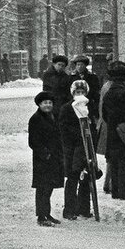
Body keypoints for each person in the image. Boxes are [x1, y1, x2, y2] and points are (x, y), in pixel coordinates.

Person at [58, 79, 96, 220]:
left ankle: (84, 208)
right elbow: (63, 128)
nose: (80, 95)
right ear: (73, 94)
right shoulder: (67, 108)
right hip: (72, 149)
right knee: (73, 177)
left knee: (86, 177)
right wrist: (78, 134)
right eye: (77, 92)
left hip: (86, 147)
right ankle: (69, 209)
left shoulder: (89, 106)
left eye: (82, 92)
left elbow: (93, 126)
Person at [102, 61, 125, 200]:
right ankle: (124, 191)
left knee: (115, 161)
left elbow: (105, 114)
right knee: (124, 161)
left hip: (112, 129)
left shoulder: (108, 93)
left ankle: (115, 190)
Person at [27, 91, 63, 227]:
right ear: (39, 104)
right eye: (45, 103)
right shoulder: (35, 119)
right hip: (43, 160)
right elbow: (33, 141)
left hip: (53, 158)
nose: (48, 105)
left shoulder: (52, 116)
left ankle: (46, 213)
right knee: (42, 188)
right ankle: (41, 216)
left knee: (49, 187)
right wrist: (45, 154)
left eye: (50, 103)